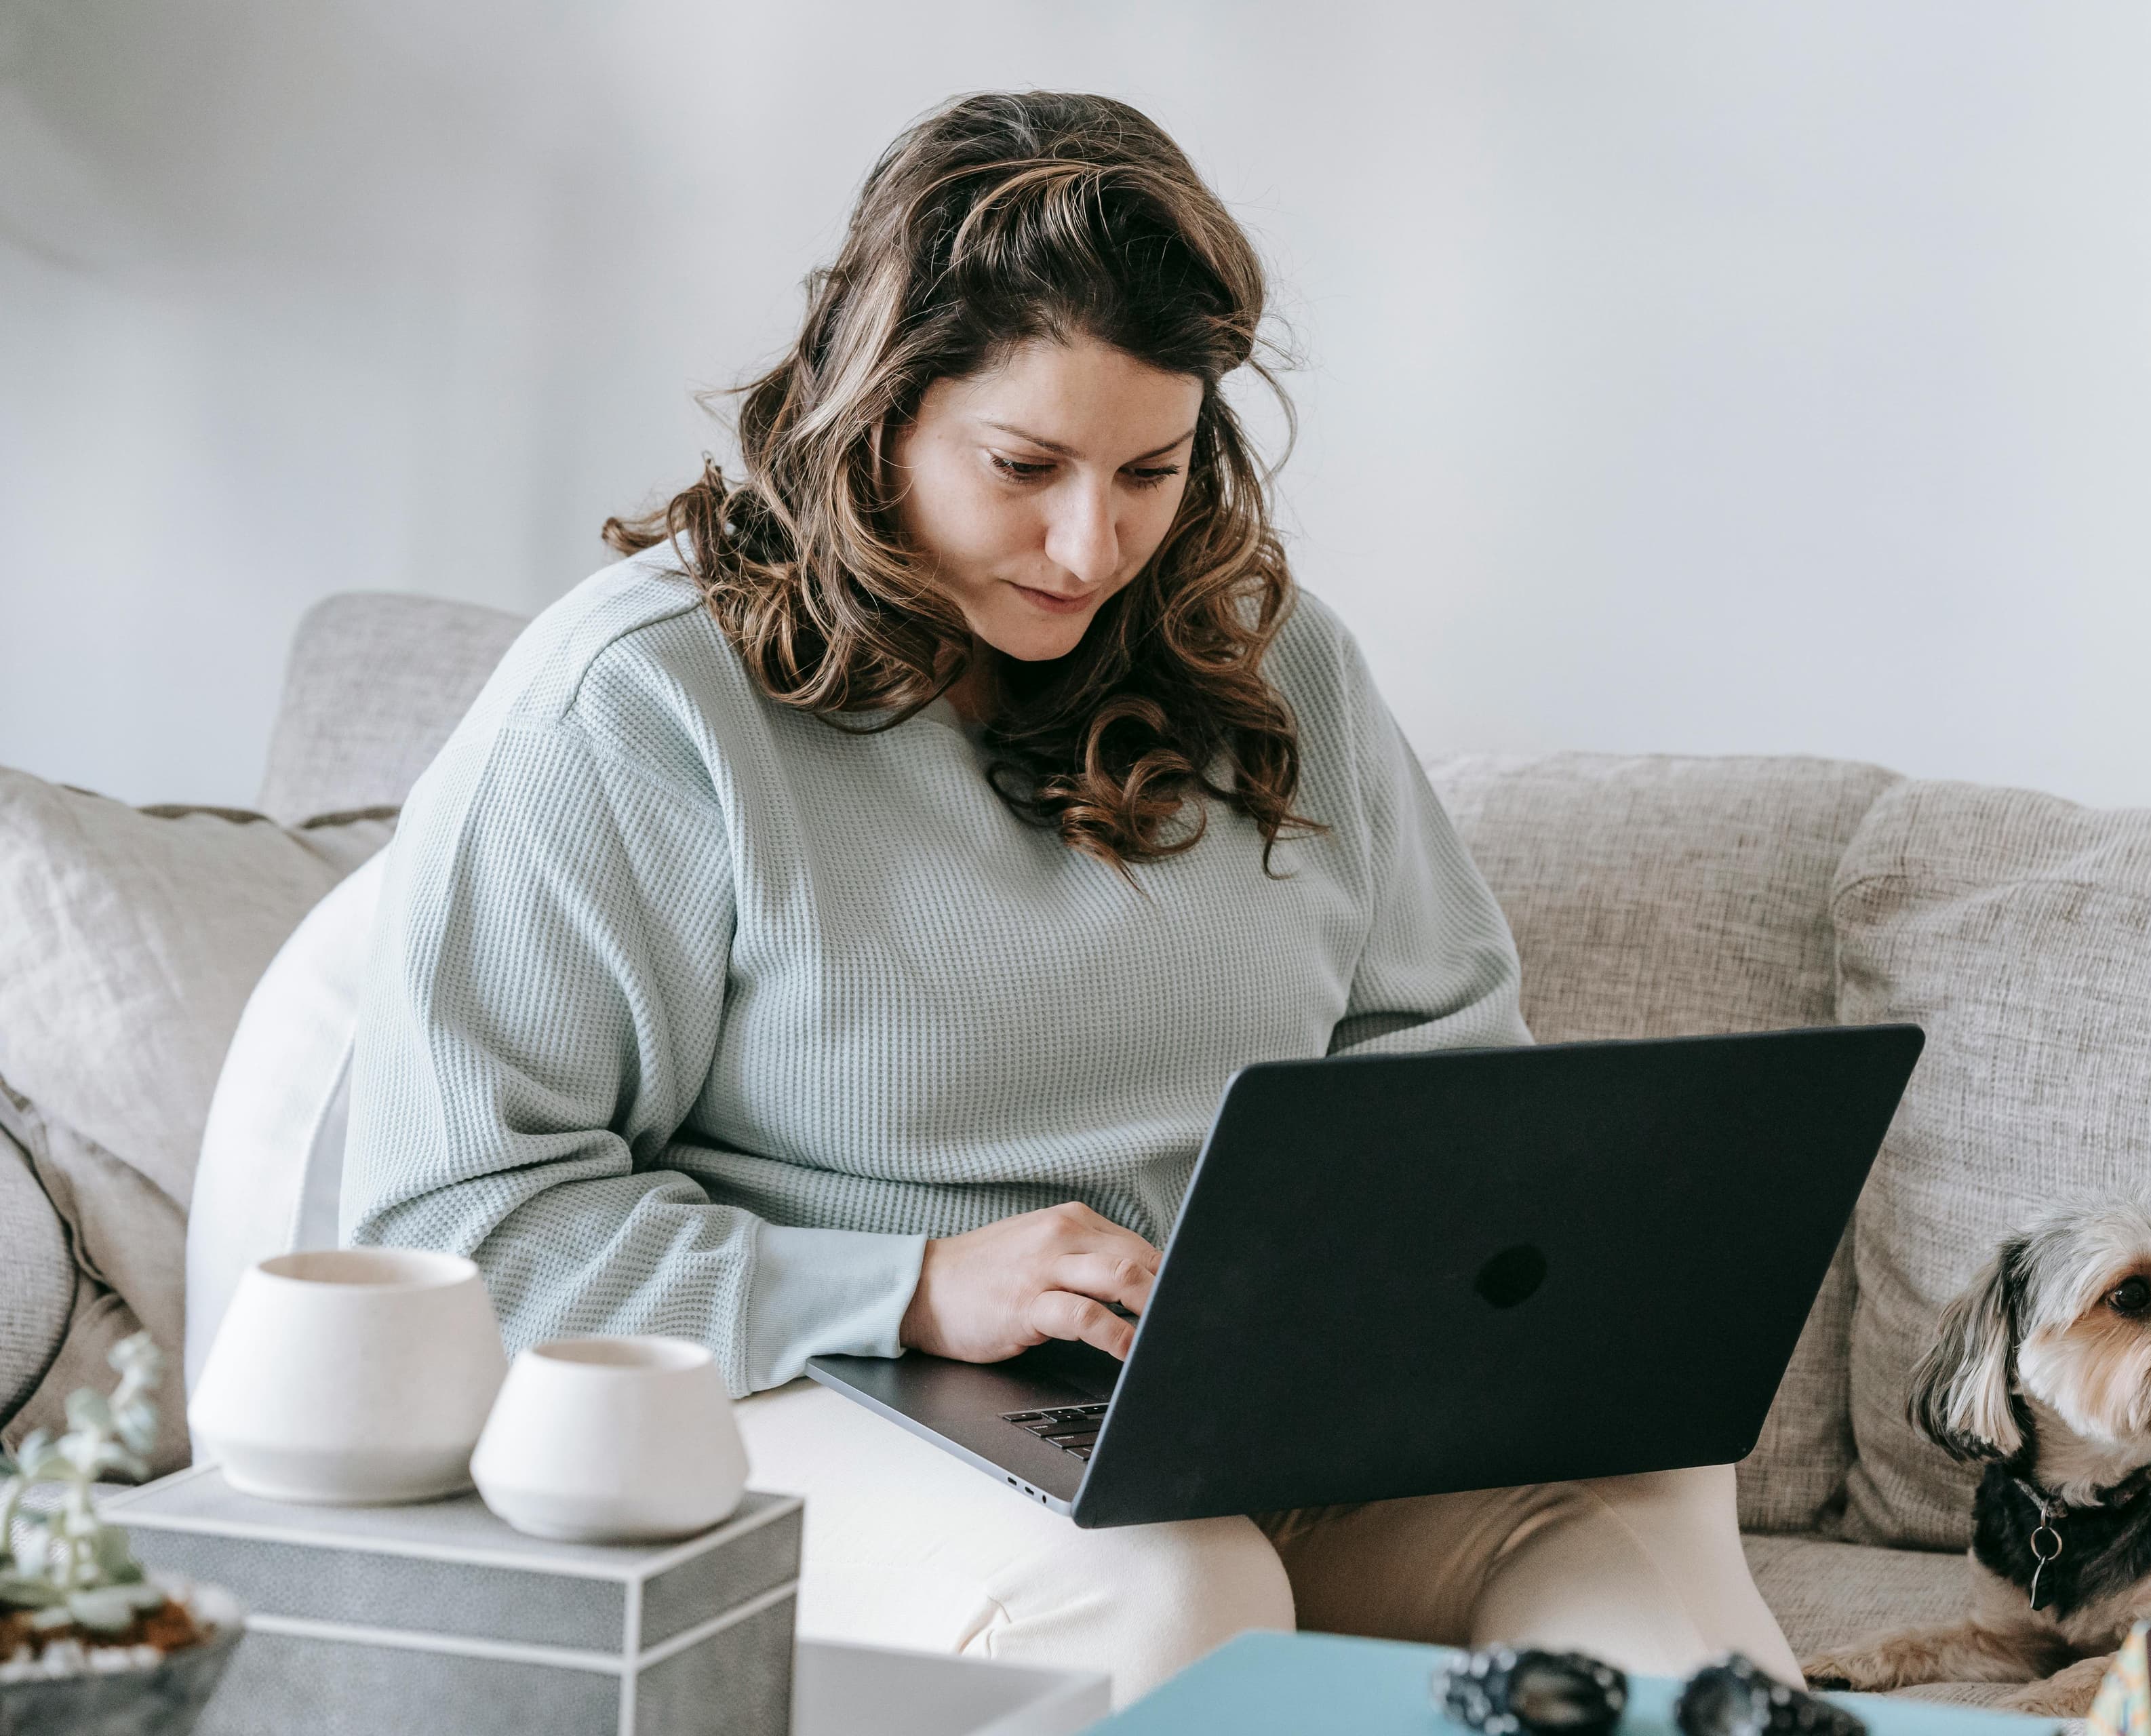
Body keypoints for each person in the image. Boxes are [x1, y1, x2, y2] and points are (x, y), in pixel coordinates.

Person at [343, 90, 1800, 1703]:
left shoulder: (1280, 661)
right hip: (813, 1383)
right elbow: (452, 1221)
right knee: (1168, 1583)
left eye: (1151, 469)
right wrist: (906, 1282)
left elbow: (1439, 1067)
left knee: (1642, 1495)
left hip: (1228, 1395)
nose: (1088, 541)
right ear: (875, 410)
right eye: (1022, 464)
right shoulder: (632, 705)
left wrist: (1445, 1303)